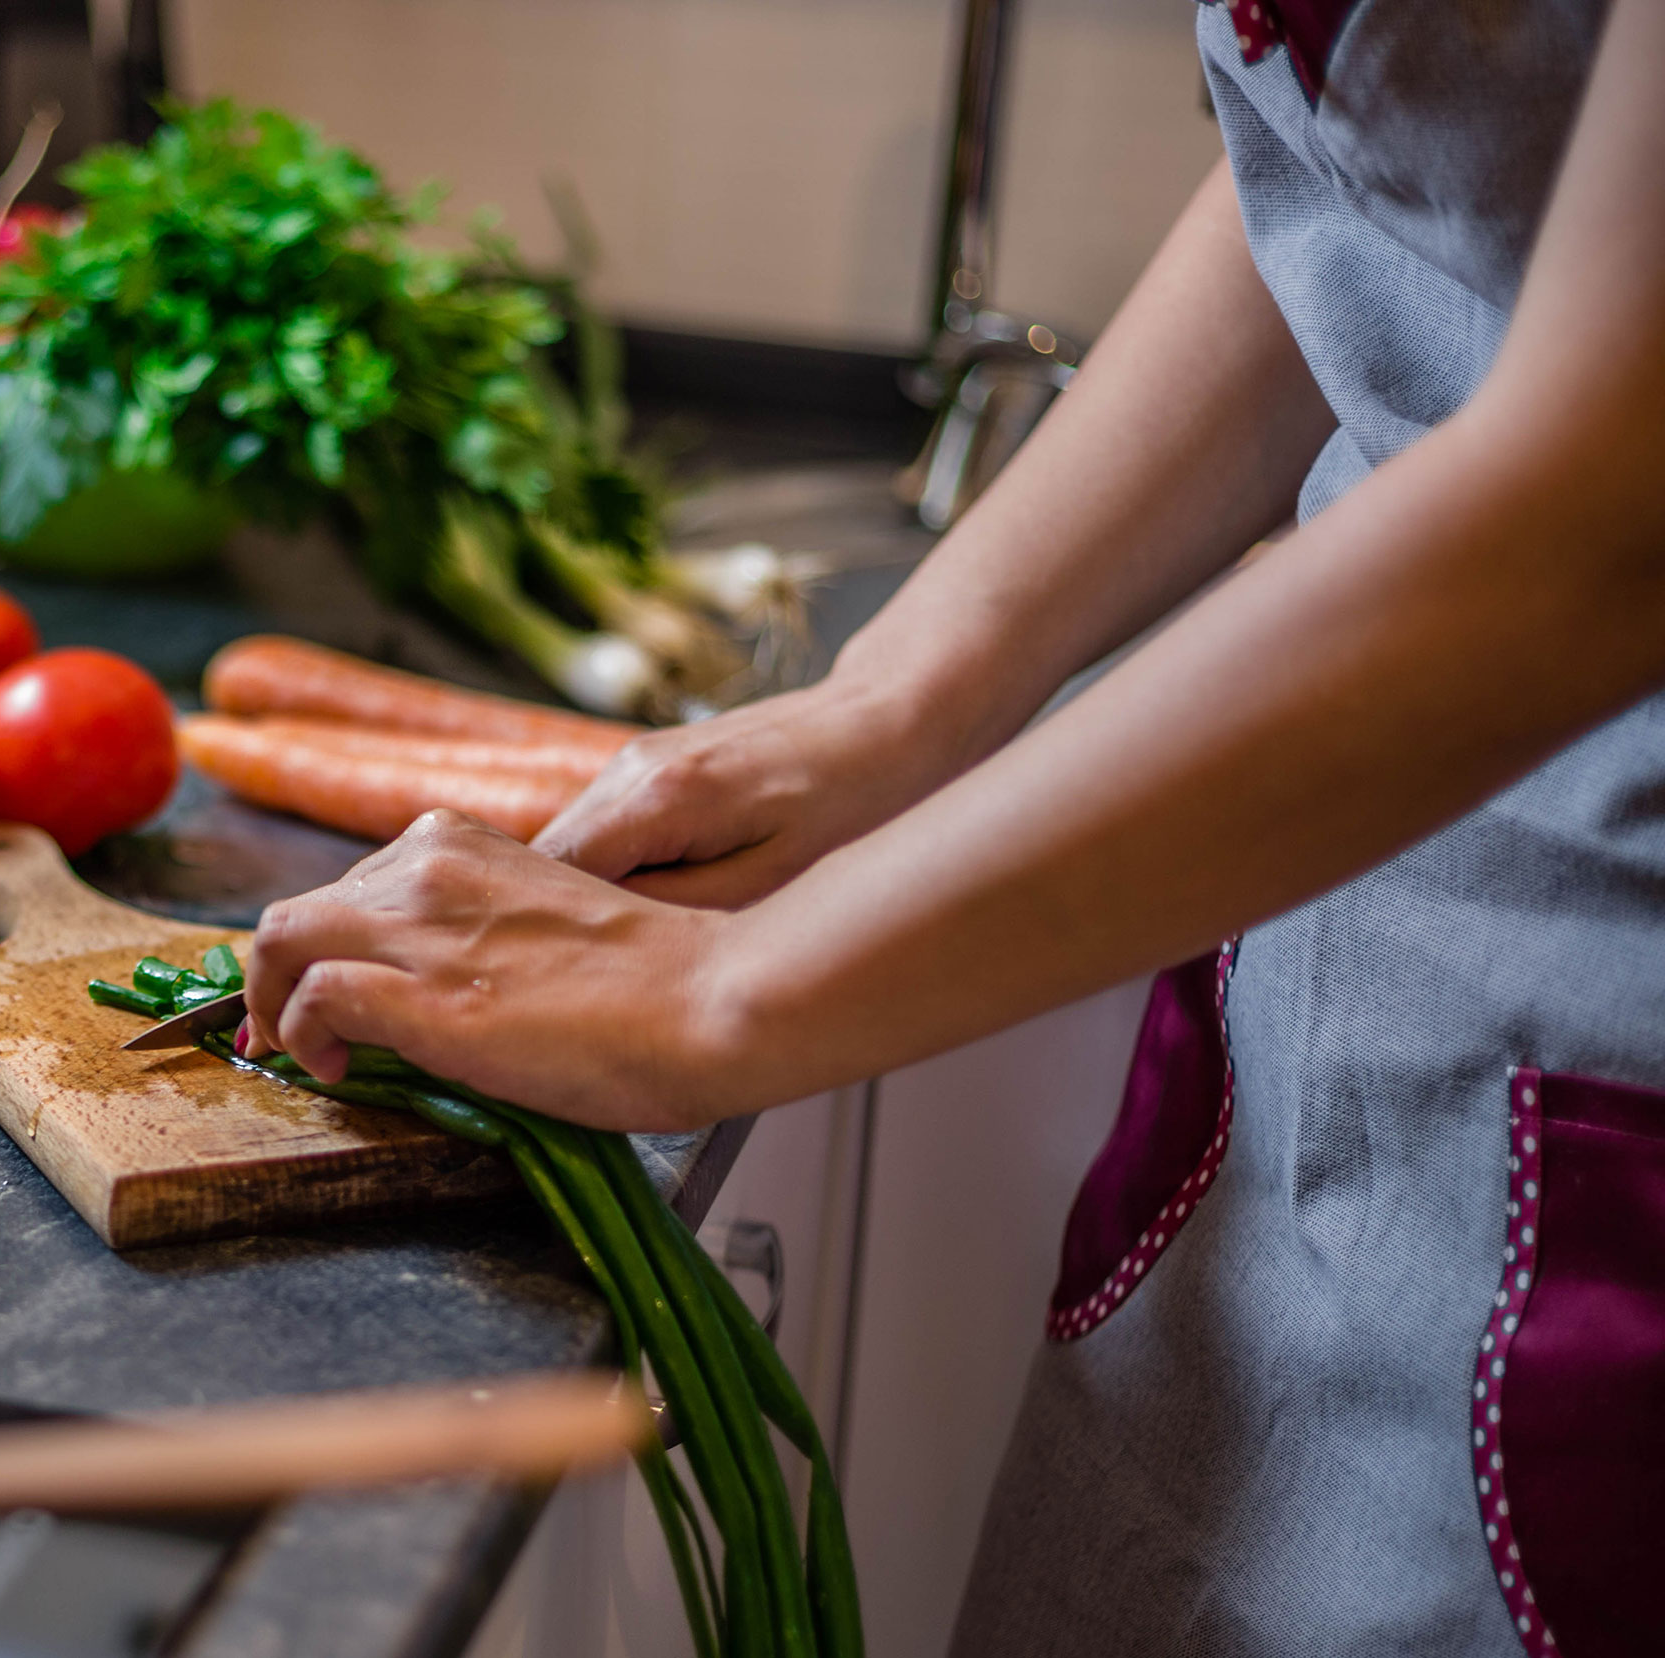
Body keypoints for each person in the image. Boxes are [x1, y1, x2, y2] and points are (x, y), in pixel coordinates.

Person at [238, 1, 1662, 1651]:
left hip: (1602, 1037)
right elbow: (1370, 181)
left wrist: (728, 995)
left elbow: (1605, 507)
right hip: (1339, 994)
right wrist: (891, 698)